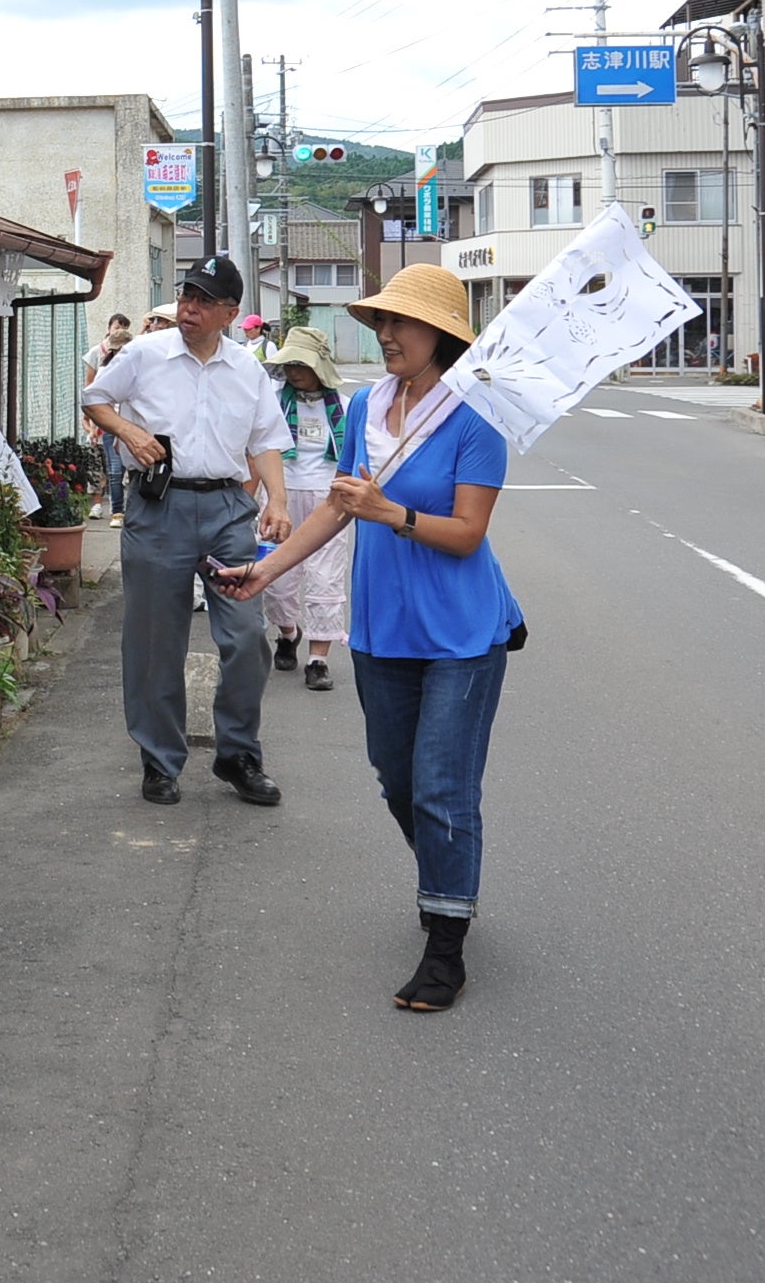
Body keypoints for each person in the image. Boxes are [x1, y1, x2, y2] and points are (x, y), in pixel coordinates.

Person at [220, 262, 518, 1012]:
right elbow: (339, 508)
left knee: (444, 787)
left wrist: (395, 514)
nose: (384, 334)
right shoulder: (368, 405)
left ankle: (445, 942)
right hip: (382, 628)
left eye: (400, 324)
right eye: (379, 322)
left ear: (442, 336)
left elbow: (467, 534)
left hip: (460, 631)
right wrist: (266, 570)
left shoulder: (478, 418)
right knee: (399, 780)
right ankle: (451, 877)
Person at [80, 254, 292, 809]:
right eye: (186, 296)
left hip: (227, 508)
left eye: (203, 301)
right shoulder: (145, 354)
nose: (189, 309)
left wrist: (280, 501)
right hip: (159, 506)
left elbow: (267, 439)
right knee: (155, 638)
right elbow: (94, 398)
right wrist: (129, 431)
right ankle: (159, 758)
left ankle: (238, 754)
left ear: (230, 313)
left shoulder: (248, 370)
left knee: (247, 635)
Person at [260, 327, 351, 692]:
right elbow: (259, 446)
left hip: (329, 498)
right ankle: (287, 632)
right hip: (280, 494)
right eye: (290, 364)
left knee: (325, 577)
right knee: (276, 576)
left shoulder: (344, 406)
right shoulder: (272, 401)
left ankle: (319, 659)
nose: (295, 371)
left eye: (302, 364)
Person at [81, 313, 135, 512]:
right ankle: (116, 510)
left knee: (123, 469)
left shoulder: (133, 366)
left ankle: (120, 509)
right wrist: (91, 423)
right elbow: (90, 393)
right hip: (110, 422)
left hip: (125, 421)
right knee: (113, 468)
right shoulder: (102, 363)